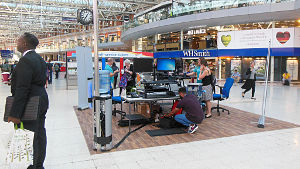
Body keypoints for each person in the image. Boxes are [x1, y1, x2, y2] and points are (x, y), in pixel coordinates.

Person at [7, 32, 49, 169]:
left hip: (31, 102)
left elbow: (22, 88)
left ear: (24, 44)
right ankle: (39, 164)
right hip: (41, 99)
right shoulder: (40, 59)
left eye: (18, 41)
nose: (17, 43)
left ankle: (34, 166)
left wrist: (15, 113)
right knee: (40, 133)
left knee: (31, 135)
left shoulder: (26, 60)